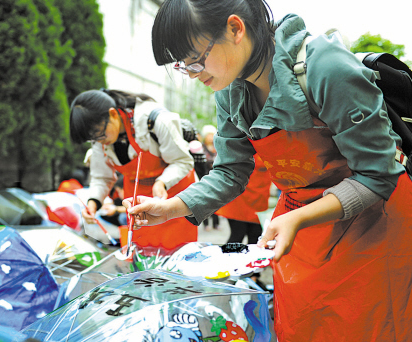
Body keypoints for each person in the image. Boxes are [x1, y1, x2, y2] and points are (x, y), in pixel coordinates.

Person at [123, 1, 412, 341]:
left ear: (235, 28)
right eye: (183, 66)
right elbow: (230, 172)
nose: (193, 73)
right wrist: (171, 207)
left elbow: (378, 175)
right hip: (300, 239)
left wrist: (298, 218)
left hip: (372, 232)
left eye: (196, 59)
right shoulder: (229, 92)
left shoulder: (325, 67)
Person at [70, 88, 197, 250]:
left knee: (177, 255)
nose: (99, 142)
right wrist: (94, 202)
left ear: (113, 114)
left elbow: (182, 161)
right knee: (142, 255)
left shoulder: (155, 120)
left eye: (100, 134)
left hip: (172, 194)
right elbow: (102, 177)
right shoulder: (99, 139)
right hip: (136, 199)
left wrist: (162, 183)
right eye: (93, 139)